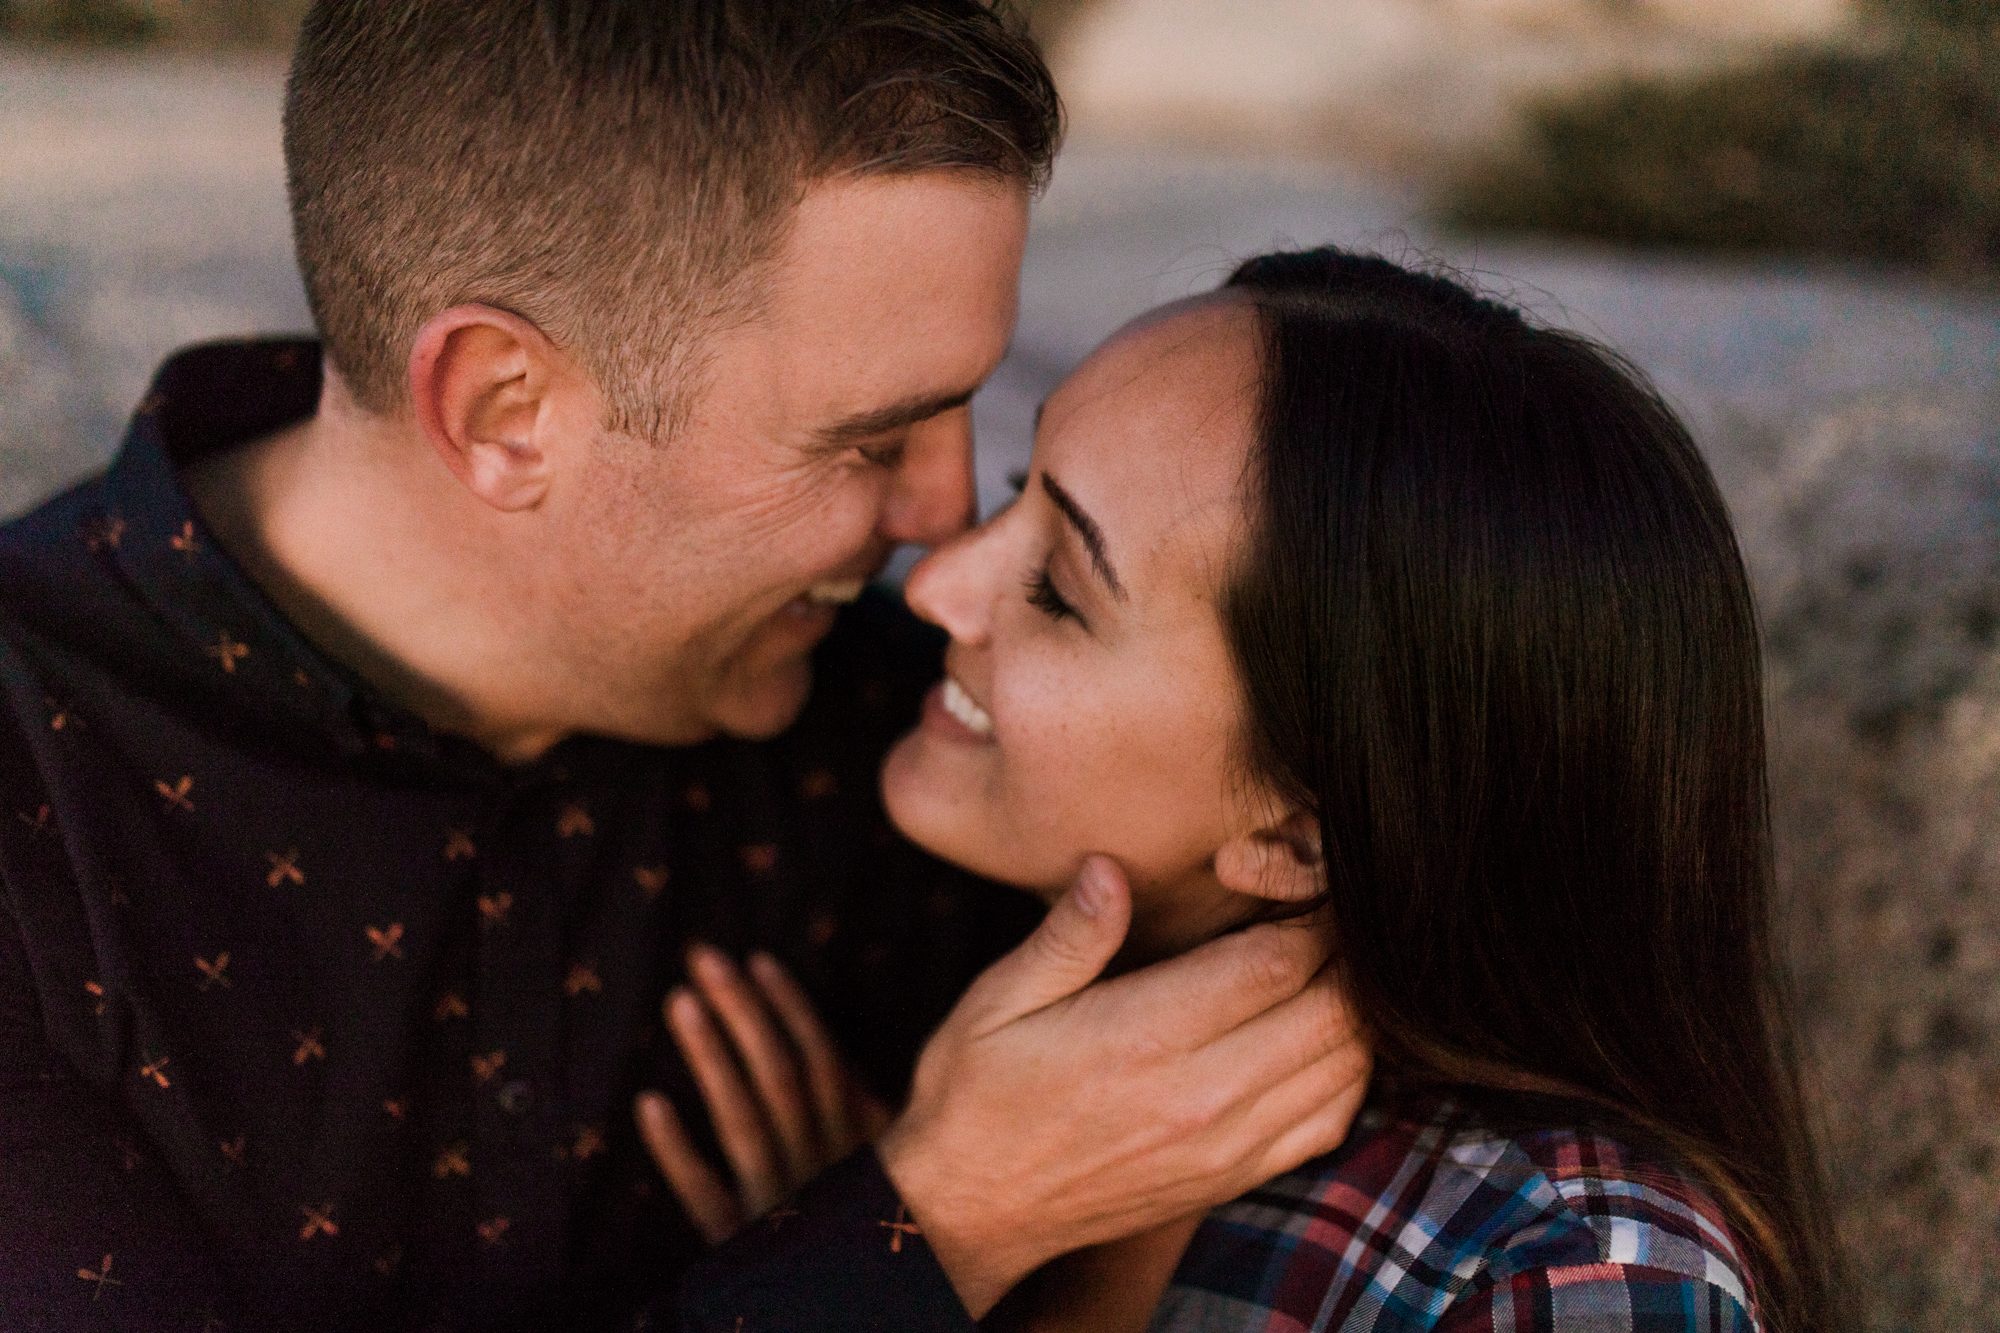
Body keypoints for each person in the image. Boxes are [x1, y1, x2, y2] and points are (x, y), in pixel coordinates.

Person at [0, 4, 1370, 1330]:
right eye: (872, 441)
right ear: (505, 412)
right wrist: (937, 1223)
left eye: (967, 414)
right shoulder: (34, 832)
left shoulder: (919, 740)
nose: (943, 516)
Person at [652, 251, 1846, 1332]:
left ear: (1297, 830)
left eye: (1061, 591)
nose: (936, 585)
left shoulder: (1557, 1275)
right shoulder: (937, 1021)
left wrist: (911, 1238)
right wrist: (877, 1258)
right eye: (1019, 491)